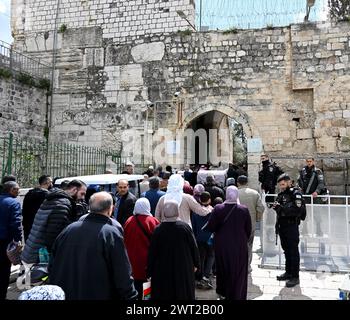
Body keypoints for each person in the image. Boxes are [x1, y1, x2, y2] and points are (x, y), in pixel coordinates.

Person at [49, 192, 138, 300]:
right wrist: (131, 296)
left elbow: (52, 264)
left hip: (66, 293)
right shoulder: (111, 233)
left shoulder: (69, 229)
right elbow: (122, 272)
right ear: (111, 209)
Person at [21, 180, 87, 264]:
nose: (83, 198)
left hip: (34, 250)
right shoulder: (62, 204)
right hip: (41, 256)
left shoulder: (54, 198)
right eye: (82, 194)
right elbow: (53, 235)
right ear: (74, 190)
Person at [147, 200, 200, 300]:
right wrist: (196, 263)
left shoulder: (158, 229)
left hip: (162, 269)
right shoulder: (185, 227)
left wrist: (149, 270)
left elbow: (152, 252)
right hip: (183, 267)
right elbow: (194, 247)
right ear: (177, 211)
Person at [205, 186, 252, 300]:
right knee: (238, 269)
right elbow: (248, 229)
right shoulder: (243, 209)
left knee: (223, 267)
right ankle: (237, 294)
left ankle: (223, 292)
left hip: (222, 244)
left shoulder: (218, 208)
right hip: (239, 245)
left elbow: (211, 227)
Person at [272, 174, 306, 288]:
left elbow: (297, 210)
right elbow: (281, 208)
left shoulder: (296, 194)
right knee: (286, 250)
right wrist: (276, 207)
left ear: (289, 182)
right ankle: (288, 272)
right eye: (280, 185)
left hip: (291, 226)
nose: (281, 187)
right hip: (282, 226)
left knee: (293, 251)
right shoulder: (281, 194)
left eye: (283, 184)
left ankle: (295, 277)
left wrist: (281, 208)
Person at [124, 198, 160, 299]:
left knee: (134, 285)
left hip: (131, 261)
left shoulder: (129, 221)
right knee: (146, 286)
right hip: (146, 262)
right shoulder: (153, 221)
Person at [237, 175, 265, 273]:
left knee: (237, 245)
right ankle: (247, 267)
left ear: (238, 183)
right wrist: (257, 219)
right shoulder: (255, 193)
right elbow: (261, 208)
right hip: (251, 224)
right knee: (249, 245)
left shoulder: (234, 193)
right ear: (247, 183)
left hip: (237, 225)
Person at [0, 181, 22, 300]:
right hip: (4, 241)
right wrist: (18, 240)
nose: (19, 191)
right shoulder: (13, 203)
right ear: (11, 190)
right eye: (17, 189)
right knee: (3, 270)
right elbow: (16, 223)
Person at [191, 191, 215, 290]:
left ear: (200, 200)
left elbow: (194, 226)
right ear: (209, 199)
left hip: (199, 238)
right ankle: (206, 275)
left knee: (201, 257)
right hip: (210, 238)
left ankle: (200, 275)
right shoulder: (213, 211)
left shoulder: (195, 212)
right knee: (211, 256)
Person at [22, 175, 53, 241]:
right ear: (47, 183)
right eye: (51, 182)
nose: (52, 184)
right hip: (40, 229)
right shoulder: (46, 195)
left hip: (28, 226)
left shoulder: (29, 193)